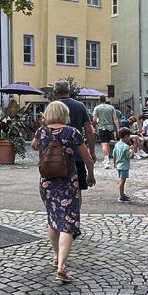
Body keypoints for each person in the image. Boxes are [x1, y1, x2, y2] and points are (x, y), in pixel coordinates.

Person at [31, 100, 94, 284]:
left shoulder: (41, 132)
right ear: (65, 114)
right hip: (68, 183)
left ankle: (56, 256)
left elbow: (34, 146)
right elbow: (87, 159)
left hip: (47, 184)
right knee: (68, 223)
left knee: (53, 220)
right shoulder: (72, 132)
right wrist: (90, 175)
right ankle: (61, 268)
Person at [52, 81, 95, 190]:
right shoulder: (79, 106)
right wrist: (92, 151)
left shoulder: (52, 108)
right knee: (77, 190)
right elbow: (89, 131)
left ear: (55, 92)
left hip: (55, 157)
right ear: (69, 91)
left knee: (56, 190)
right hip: (77, 155)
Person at [93, 96, 118, 168]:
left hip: (102, 127)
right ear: (106, 100)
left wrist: (94, 126)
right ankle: (107, 159)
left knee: (104, 144)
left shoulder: (97, 108)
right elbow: (115, 119)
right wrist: (118, 128)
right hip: (110, 128)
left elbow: (94, 119)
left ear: (99, 100)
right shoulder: (111, 108)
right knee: (107, 144)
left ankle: (106, 161)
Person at [113, 127, 135, 203]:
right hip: (124, 166)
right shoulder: (126, 147)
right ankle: (121, 196)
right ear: (126, 136)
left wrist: (114, 163)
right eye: (129, 136)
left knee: (121, 180)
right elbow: (129, 156)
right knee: (123, 181)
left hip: (118, 165)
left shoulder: (117, 145)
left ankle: (122, 194)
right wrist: (132, 150)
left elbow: (114, 154)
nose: (129, 138)